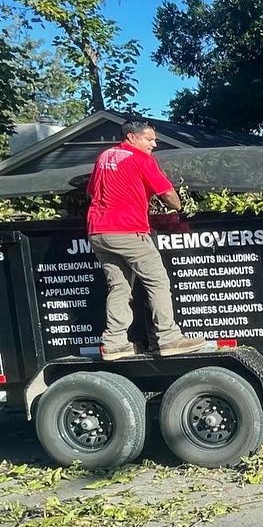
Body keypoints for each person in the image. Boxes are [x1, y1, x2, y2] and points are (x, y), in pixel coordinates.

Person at [87, 120, 210, 360]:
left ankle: (114, 343)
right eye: (149, 139)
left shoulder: (104, 157)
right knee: (158, 282)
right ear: (132, 137)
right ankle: (168, 337)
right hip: (127, 229)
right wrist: (178, 206)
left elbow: (92, 191)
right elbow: (168, 195)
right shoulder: (140, 159)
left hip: (98, 231)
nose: (154, 144)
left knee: (120, 286)